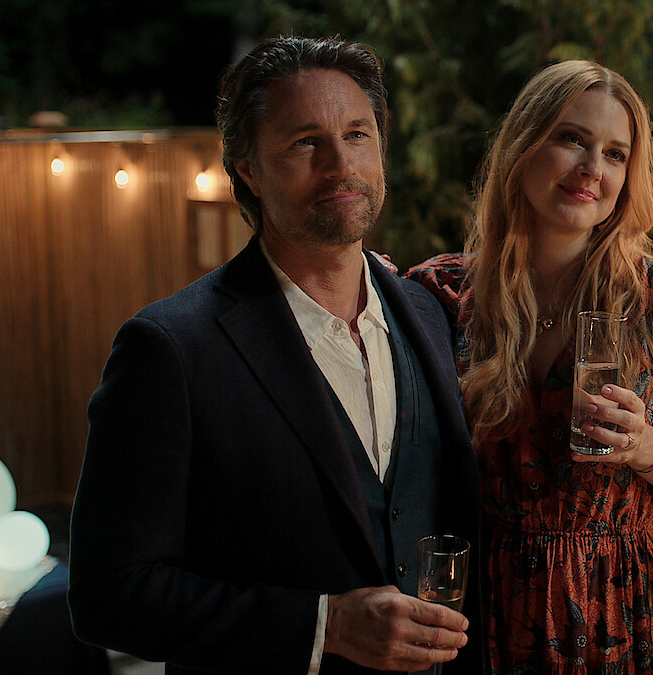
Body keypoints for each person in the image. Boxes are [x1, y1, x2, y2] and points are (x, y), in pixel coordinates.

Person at [68, 36, 483, 675]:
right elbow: (109, 595)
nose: (340, 165)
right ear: (248, 170)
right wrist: (325, 626)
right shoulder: (170, 350)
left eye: (357, 135)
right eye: (304, 142)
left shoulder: (428, 314)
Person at [405, 61, 653, 673]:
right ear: (522, 147)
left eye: (615, 154)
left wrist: (646, 447)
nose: (594, 167)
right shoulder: (444, 296)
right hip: (486, 600)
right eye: (572, 139)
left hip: (620, 606)